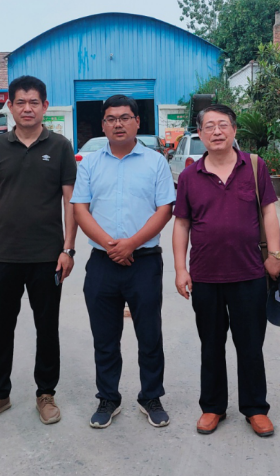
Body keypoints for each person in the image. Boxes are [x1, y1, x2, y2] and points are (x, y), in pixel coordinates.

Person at [0, 75, 77, 426]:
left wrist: (68, 249)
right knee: (1, 328)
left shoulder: (60, 146)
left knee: (47, 328)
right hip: (3, 256)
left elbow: (71, 202)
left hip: (47, 257)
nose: (27, 108)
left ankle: (45, 393)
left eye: (34, 102)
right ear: (10, 106)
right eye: (20, 102)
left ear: (45, 106)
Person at [173, 105, 280, 437]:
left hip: (249, 272)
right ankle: (212, 407)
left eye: (223, 125)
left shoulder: (254, 166)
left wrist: (275, 254)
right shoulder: (189, 176)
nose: (217, 131)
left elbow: (269, 212)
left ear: (234, 130)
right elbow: (181, 224)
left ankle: (255, 408)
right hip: (205, 275)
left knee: (250, 345)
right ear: (200, 134)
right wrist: (180, 269)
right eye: (209, 126)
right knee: (211, 344)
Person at [72, 95, 175, 429]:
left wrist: (131, 243)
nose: (118, 124)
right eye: (111, 119)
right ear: (103, 125)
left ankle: (151, 396)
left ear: (137, 122)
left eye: (125, 117)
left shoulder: (155, 162)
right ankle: (108, 398)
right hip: (102, 262)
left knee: (150, 334)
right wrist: (110, 245)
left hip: (144, 261)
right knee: (105, 337)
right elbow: (80, 209)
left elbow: (165, 209)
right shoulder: (89, 163)